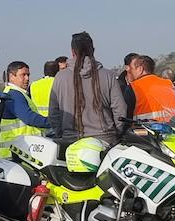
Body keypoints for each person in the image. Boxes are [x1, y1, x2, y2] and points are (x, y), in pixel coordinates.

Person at [49, 32, 128, 172]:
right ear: (93, 50)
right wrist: (117, 132)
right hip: (105, 143)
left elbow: (54, 113)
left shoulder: (60, 77)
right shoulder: (108, 76)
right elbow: (120, 110)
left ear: (72, 52)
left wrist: (61, 133)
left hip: (71, 143)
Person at [0, 61, 50, 156]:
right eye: (23, 75)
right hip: (16, 153)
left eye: (28, 75)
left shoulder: (17, 93)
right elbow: (29, 118)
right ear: (12, 76)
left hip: (19, 150)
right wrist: (53, 122)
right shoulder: (14, 94)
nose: (27, 78)